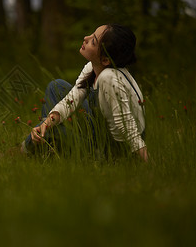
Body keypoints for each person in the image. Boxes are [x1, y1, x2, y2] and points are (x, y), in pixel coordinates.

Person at [22, 24, 148, 162]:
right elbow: (72, 99)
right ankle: (43, 144)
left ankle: (28, 150)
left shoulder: (109, 79)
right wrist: (46, 123)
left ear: (105, 60)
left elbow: (127, 128)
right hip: (99, 129)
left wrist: (147, 163)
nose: (85, 38)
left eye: (93, 41)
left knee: (53, 131)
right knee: (56, 86)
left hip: (112, 150)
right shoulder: (93, 67)